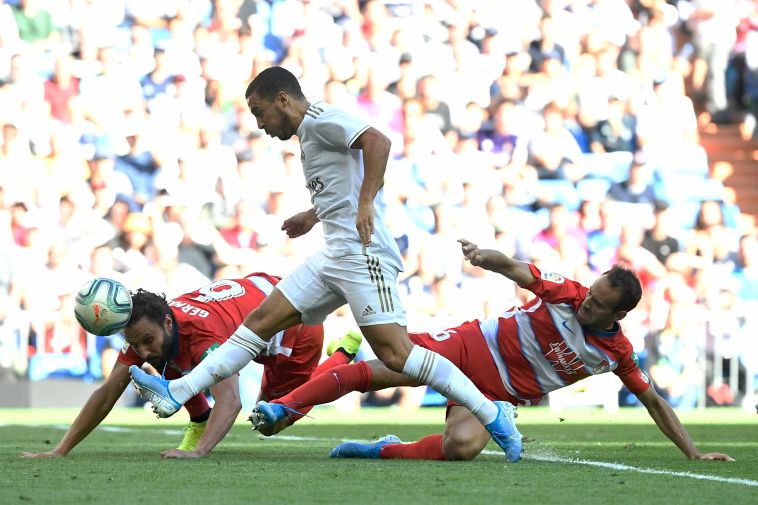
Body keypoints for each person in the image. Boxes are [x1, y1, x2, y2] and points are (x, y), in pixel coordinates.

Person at [129, 66, 521, 462]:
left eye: (260, 111)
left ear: (283, 99)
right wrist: (312, 214)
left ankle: (492, 412)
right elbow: (341, 185)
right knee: (260, 322)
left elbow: (378, 141)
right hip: (333, 254)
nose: (259, 123)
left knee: (397, 355)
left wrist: (367, 202)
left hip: (363, 253)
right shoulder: (308, 135)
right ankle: (178, 391)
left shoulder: (321, 120)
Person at [250, 239, 734, 463]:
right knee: (382, 370)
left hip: (494, 395)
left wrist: (692, 452)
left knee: (460, 449)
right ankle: (283, 407)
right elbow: (519, 269)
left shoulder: (618, 354)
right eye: (591, 294)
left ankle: (380, 450)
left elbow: (654, 401)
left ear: (619, 316)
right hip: (469, 346)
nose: (587, 303)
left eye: (599, 304)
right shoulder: (567, 291)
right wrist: (486, 257)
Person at [21, 272, 360, 459]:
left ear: (168, 323)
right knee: (165, 359)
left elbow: (230, 400)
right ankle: (198, 417)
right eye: (134, 343)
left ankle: (343, 353)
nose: (141, 349)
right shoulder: (152, 328)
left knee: (271, 420)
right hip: (256, 298)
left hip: (292, 327)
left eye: (145, 340)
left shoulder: (201, 337)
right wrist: (61, 450)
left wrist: (200, 452)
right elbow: (108, 392)